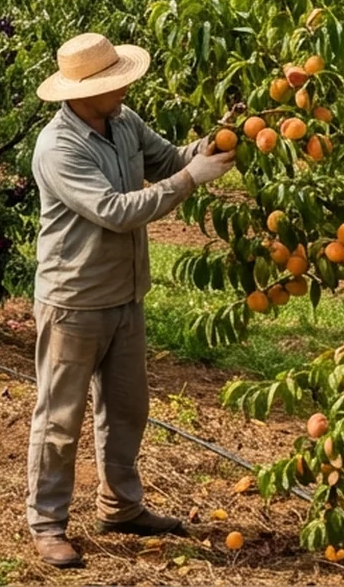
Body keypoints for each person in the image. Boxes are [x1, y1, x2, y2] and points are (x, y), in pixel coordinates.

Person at [25, 31, 236, 569]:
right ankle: (47, 523)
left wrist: (209, 147)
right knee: (60, 417)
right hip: (75, 299)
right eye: (114, 82)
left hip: (125, 294)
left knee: (126, 411)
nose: (125, 87)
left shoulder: (123, 121)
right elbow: (117, 211)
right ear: (80, 92)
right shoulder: (59, 147)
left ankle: (120, 506)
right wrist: (193, 178)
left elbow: (167, 160)